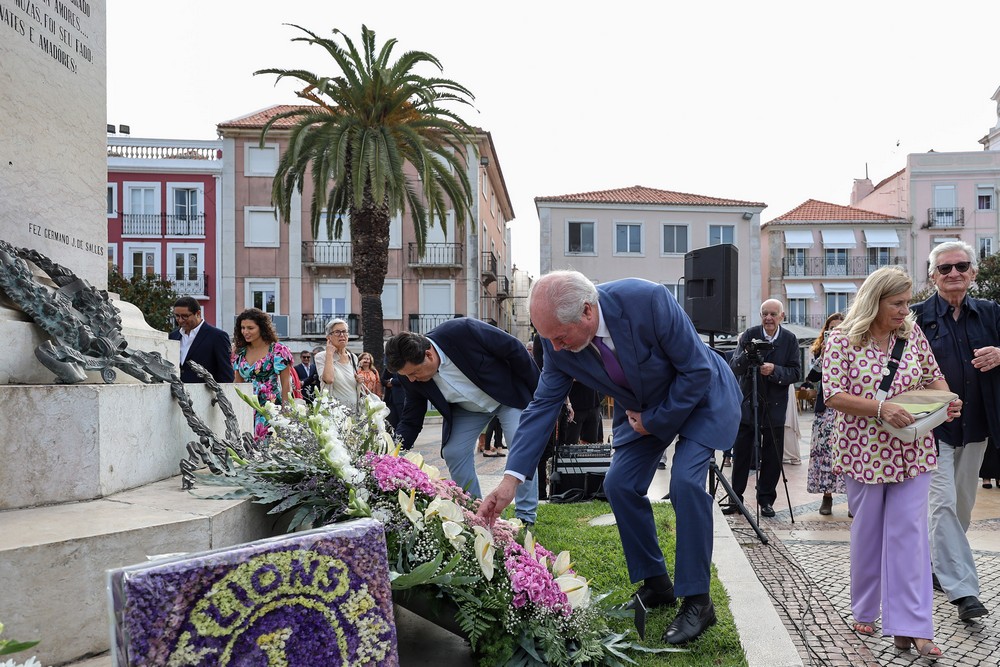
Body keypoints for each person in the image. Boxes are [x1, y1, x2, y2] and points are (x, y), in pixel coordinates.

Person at [479, 271, 742, 645]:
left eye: (559, 336)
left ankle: (698, 601)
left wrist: (653, 422)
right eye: (547, 337)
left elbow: (696, 369)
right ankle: (657, 582)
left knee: (684, 482)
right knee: (619, 484)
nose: (553, 347)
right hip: (642, 411)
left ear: (587, 312)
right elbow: (541, 407)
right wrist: (510, 482)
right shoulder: (557, 342)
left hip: (700, 396)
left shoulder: (648, 299)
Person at [823, 266, 961, 659]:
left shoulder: (911, 334)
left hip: (913, 450)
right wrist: (882, 408)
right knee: (868, 532)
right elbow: (833, 395)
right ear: (875, 301)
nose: (905, 310)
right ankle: (865, 608)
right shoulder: (841, 339)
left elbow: (934, 378)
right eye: (897, 304)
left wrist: (947, 402)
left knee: (910, 536)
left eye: (906, 302)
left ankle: (912, 626)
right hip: (862, 450)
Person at [911, 240, 1000, 622]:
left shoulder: (991, 313)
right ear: (932, 276)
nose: (954, 274)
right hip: (935, 431)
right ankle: (964, 592)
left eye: (961, 266)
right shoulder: (914, 318)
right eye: (944, 269)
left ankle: (935, 562)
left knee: (961, 508)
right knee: (943, 504)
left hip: (978, 426)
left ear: (973, 274)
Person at [385, 320, 540, 524]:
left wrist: (540, 397)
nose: (411, 380)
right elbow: (412, 417)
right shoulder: (409, 376)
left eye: (414, 373)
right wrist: (393, 450)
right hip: (467, 410)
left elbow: (514, 350)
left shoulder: (463, 331)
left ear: (429, 355)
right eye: (407, 376)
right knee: (453, 451)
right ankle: (476, 512)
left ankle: (526, 516)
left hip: (507, 397)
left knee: (521, 446)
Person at [724, 299, 800, 517]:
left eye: (773, 314)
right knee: (741, 454)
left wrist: (774, 370)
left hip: (774, 407)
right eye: (765, 314)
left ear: (781, 316)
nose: (768, 318)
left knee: (772, 456)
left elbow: (795, 373)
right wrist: (749, 358)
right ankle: (735, 499)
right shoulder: (749, 334)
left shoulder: (789, 339)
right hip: (748, 405)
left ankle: (766, 500)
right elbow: (734, 367)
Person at [232, 308, 294, 442]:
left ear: (262, 328)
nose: (245, 332)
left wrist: (286, 412)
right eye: (242, 328)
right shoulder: (240, 352)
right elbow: (237, 384)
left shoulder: (277, 350)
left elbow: (286, 384)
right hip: (246, 409)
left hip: (269, 409)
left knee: (265, 450)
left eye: (250, 328)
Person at [805, 312, 845, 515]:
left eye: (840, 328)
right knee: (824, 454)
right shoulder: (819, 350)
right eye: (832, 329)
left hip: (847, 407)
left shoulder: (854, 349)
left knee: (847, 451)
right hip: (826, 407)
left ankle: (852, 499)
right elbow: (811, 377)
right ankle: (826, 496)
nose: (835, 332)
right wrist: (824, 355)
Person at [168, 296, 234, 384]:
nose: (180, 320)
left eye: (185, 316)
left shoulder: (217, 336)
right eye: (177, 316)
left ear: (198, 314)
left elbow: (226, 375)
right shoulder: (173, 336)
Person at [314, 318, 361, 409]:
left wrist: (358, 380)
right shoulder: (321, 357)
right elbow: (328, 379)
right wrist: (329, 354)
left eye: (344, 331)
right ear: (328, 337)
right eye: (337, 332)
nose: (342, 335)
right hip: (333, 412)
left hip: (353, 412)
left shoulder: (353, 357)